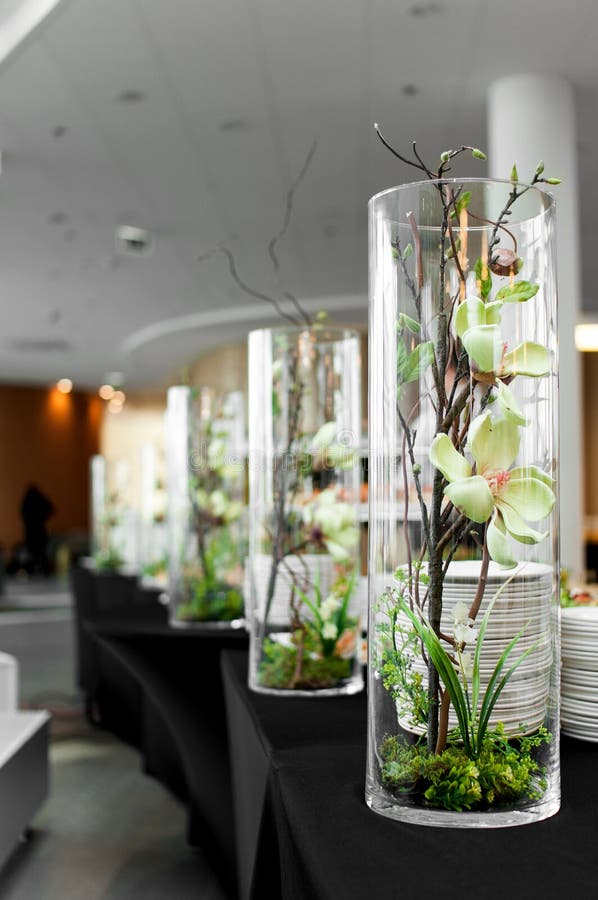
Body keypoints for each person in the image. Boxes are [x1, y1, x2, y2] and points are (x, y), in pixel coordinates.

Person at [20, 484, 55, 575]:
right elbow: (50, 508)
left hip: (32, 532)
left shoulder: (27, 501)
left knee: (35, 553)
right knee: (40, 553)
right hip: (39, 531)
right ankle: (43, 571)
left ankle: (34, 571)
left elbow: (22, 514)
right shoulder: (39, 500)